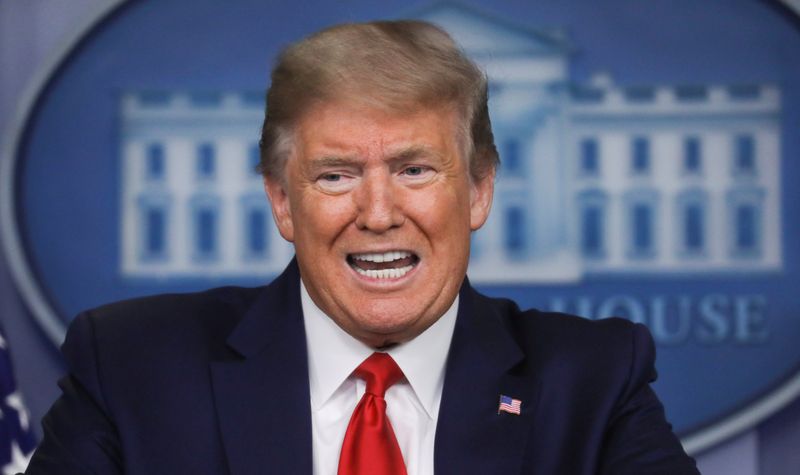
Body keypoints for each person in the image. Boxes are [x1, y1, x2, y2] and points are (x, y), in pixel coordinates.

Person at [24, 20, 699, 475]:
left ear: (479, 191)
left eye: (414, 170)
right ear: (283, 201)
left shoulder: (593, 381)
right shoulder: (132, 366)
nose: (378, 214)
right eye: (337, 175)